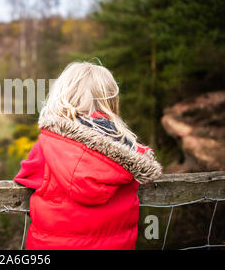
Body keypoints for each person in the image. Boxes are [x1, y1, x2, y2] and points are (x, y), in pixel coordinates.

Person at [13, 62, 162, 250]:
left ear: (61, 97)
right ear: (112, 101)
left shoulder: (46, 147)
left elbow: (25, 177)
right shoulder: (132, 151)